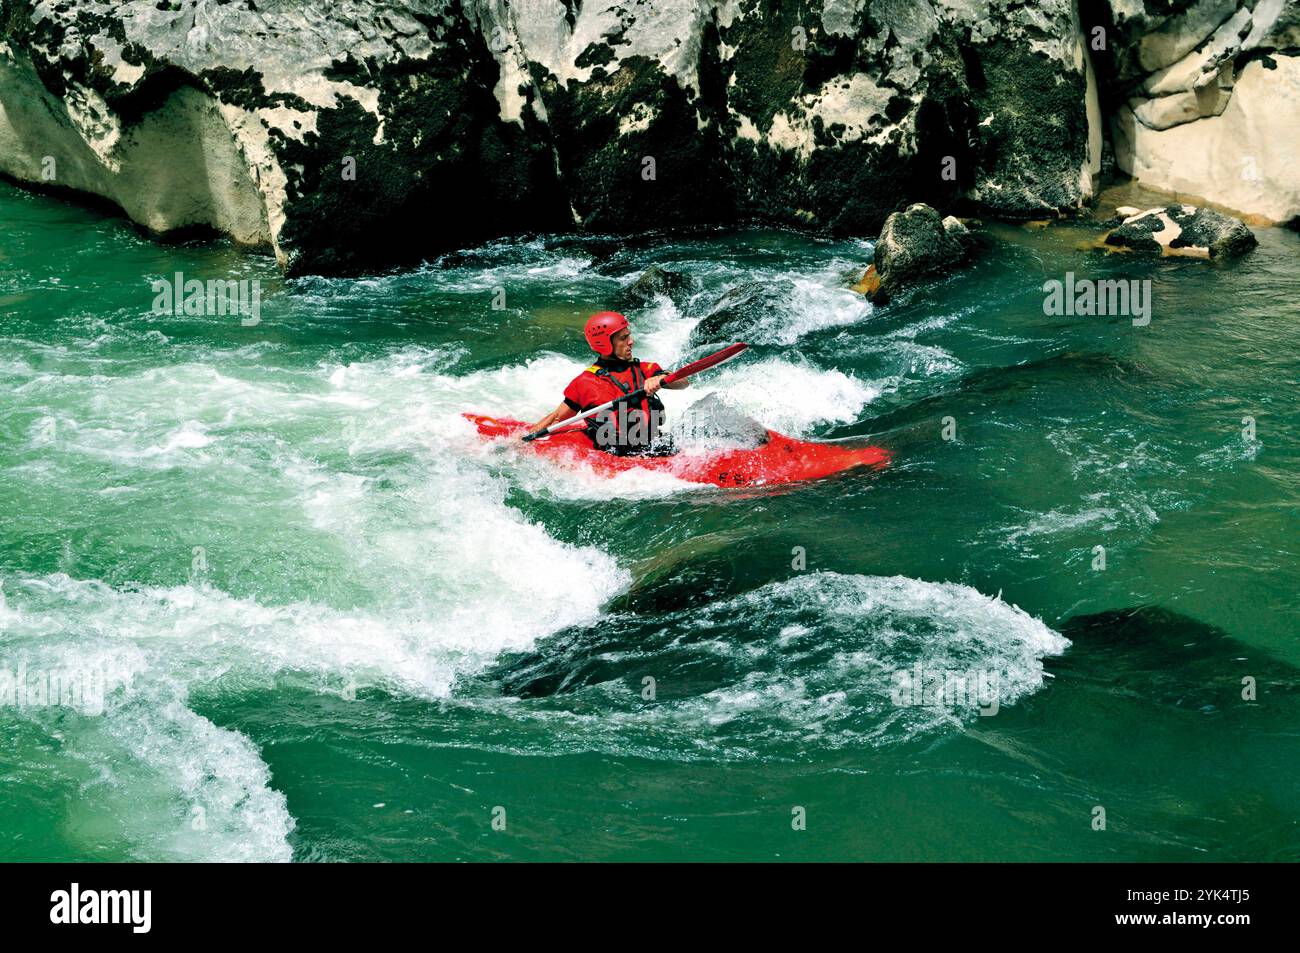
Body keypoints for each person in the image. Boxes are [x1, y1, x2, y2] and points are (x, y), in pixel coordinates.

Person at [527, 311, 688, 455]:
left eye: (629, 336)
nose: (631, 342)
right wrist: (525, 439)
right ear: (605, 343)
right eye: (623, 338)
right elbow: (557, 418)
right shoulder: (584, 383)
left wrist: (660, 379)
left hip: (653, 445)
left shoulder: (644, 369)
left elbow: (683, 382)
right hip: (615, 453)